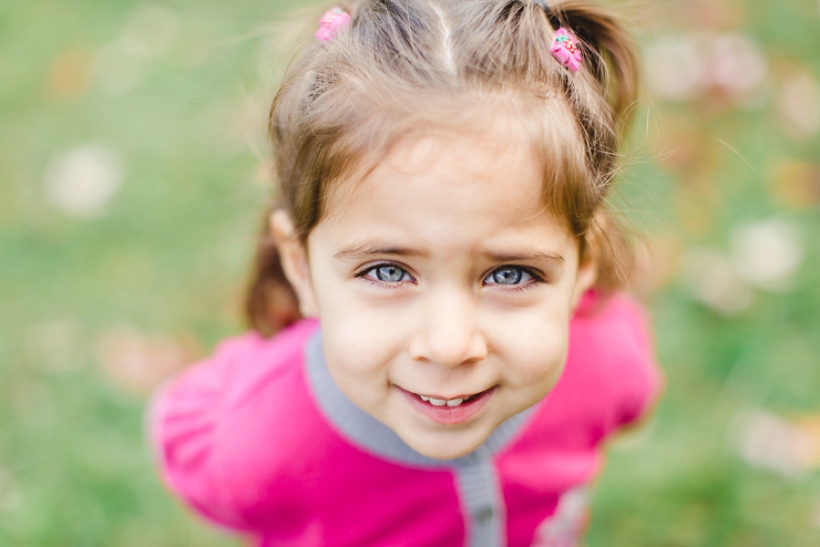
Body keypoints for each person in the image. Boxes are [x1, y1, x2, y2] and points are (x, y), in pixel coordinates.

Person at [149, 0, 663, 545]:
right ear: (300, 266)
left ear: (585, 263)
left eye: (510, 275)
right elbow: (184, 431)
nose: (448, 346)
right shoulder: (257, 441)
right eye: (389, 272)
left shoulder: (609, 364)